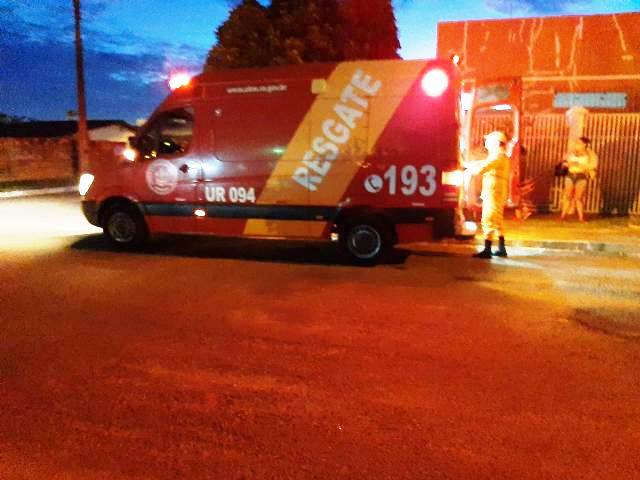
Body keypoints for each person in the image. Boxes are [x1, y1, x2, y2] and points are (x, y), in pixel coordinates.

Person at [468, 130, 511, 259]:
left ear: (496, 143)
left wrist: (471, 169)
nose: (487, 144)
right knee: (497, 219)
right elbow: (485, 163)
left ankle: (487, 249)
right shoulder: (501, 156)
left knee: (489, 218)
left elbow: (483, 168)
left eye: (489, 142)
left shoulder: (498, 156)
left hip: (493, 191)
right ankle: (501, 248)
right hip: (496, 191)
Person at [560, 136, 597, 222]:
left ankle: (581, 218)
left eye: (579, 143)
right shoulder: (571, 152)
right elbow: (564, 162)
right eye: (576, 142)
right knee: (568, 196)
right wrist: (569, 164)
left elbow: (593, 166)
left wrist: (579, 165)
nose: (576, 144)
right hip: (570, 174)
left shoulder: (590, 154)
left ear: (584, 144)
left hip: (581, 175)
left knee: (578, 198)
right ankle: (562, 216)